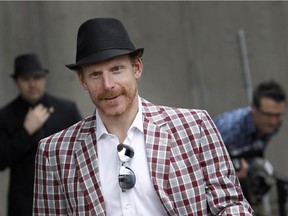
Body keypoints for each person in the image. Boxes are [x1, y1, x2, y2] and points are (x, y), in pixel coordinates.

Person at [33, 18, 253, 215]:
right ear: (83, 81)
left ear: (136, 68)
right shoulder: (55, 152)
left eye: (117, 69)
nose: (108, 85)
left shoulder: (194, 127)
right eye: (95, 74)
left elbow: (230, 204)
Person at [0, 53, 82, 216]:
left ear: (44, 78)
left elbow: (83, 149)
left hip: (66, 197)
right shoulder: (5, 115)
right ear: (17, 82)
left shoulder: (67, 110)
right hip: (24, 204)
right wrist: (26, 132)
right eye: (25, 79)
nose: (32, 84)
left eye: (37, 77)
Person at [214, 80, 286, 215]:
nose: (273, 122)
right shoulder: (230, 129)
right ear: (253, 108)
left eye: (278, 115)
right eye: (268, 115)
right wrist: (230, 174)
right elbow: (204, 166)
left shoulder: (274, 124)